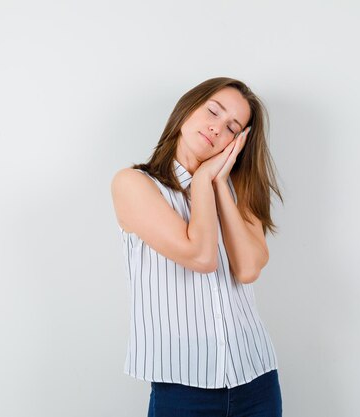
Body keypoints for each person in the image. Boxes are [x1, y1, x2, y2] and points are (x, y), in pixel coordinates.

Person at [111, 77, 284, 417]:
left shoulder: (238, 192)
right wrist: (203, 179)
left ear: (239, 141)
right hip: (182, 389)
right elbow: (201, 256)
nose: (217, 128)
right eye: (213, 111)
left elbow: (249, 269)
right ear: (187, 108)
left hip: (256, 379)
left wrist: (218, 182)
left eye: (232, 127)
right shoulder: (134, 184)